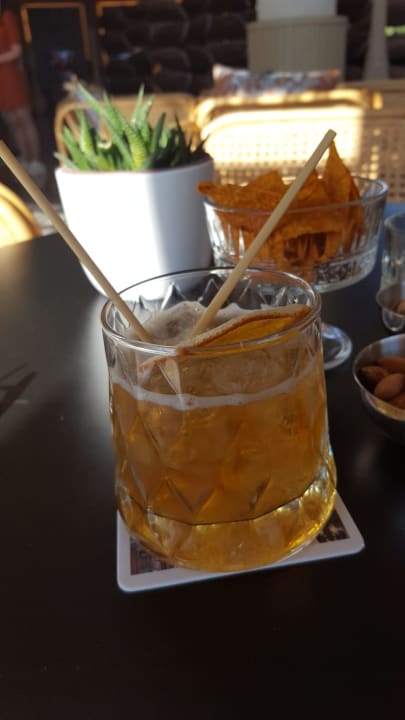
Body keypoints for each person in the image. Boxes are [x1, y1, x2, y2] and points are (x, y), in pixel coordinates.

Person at [0, 2, 46, 185]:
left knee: (24, 119)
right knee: (12, 122)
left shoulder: (6, 17)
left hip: (10, 75)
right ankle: (25, 160)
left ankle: (35, 160)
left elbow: (16, 51)